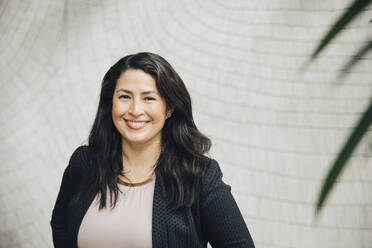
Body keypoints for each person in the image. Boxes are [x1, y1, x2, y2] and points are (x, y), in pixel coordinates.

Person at [50, 52, 255, 248]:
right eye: (124, 97)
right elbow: (60, 225)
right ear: (110, 103)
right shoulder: (85, 162)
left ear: (169, 108)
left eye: (149, 98)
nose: (135, 110)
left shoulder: (199, 176)